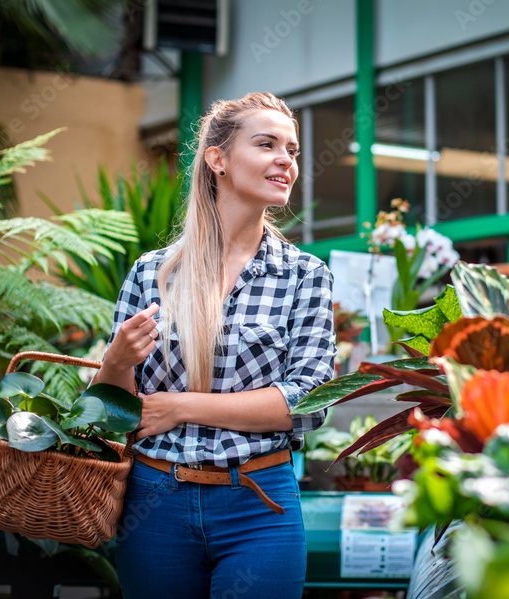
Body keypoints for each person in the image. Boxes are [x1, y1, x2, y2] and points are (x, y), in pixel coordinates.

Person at [93, 92, 334, 599]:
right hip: (154, 504)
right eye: (267, 144)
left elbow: (309, 403)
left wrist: (178, 407)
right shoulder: (152, 272)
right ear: (217, 159)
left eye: (291, 150)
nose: (286, 161)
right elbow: (114, 410)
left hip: (259, 505)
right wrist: (115, 361)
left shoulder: (304, 276)